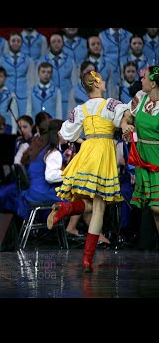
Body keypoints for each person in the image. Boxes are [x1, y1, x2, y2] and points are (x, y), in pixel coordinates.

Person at [46, 70, 133, 272]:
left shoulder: (81, 109)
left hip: (87, 152)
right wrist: (125, 124)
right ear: (95, 83)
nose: (104, 82)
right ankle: (87, 259)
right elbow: (124, 115)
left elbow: (65, 133)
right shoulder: (110, 103)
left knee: (88, 203)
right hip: (102, 153)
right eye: (102, 80)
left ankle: (65, 209)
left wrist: (84, 140)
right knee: (99, 208)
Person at [123, 65, 159, 241]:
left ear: (153, 83)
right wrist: (125, 125)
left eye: (144, 78)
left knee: (157, 207)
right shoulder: (140, 97)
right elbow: (127, 115)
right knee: (152, 206)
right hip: (142, 157)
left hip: (157, 157)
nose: (141, 80)